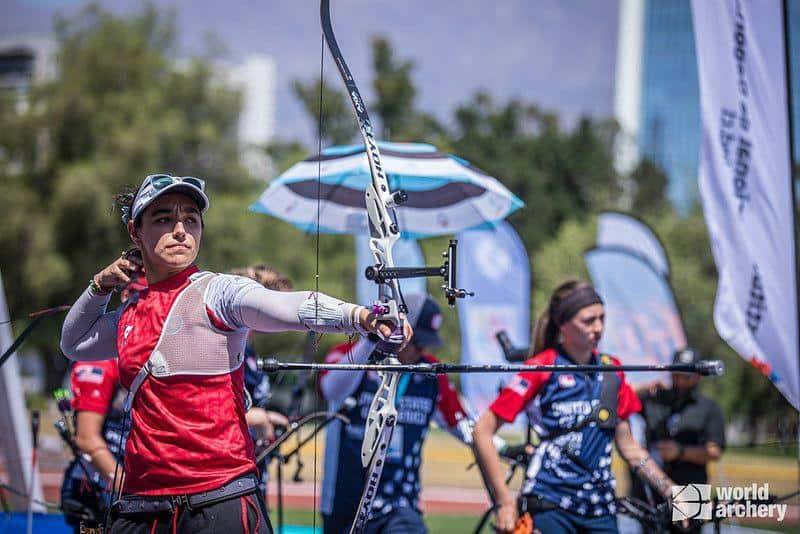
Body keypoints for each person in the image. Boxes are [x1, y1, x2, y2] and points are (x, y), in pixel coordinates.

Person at [60, 173, 411, 534]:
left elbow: (291, 306)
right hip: (141, 505)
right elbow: (74, 343)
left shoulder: (219, 292)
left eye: (191, 220)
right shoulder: (130, 313)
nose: (180, 230)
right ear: (136, 232)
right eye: (164, 219)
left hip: (218, 501)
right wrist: (99, 286)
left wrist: (361, 316)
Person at [472, 280, 680, 534]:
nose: (598, 328)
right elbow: (482, 430)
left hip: (601, 511)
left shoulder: (612, 371)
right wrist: (504, 502)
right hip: (550, 507)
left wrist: (673, 492)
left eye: (602, 318)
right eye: (588, 321)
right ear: (563, 324)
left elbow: (630, 449)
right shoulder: (542, 368)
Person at [319, 293, 473, 534]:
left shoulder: (431, 373)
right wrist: (371, 340)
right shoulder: (349, 354)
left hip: (400, 506)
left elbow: (465, 426)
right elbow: (331, 390)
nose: (419, 350)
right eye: (416, 341)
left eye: (424, 344)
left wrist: (501, 448)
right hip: (345, 503)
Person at [60, 276, 146, 533]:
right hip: (98, 492)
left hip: (131, 489)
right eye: (145, 298)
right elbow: (86, 438)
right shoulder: (99, 360)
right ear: (126, 297)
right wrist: (128, 489)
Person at [630, 348, 725, 532]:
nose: (681, 380)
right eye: (677, 374)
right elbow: (620, 397)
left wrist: (680, 452)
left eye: (687, 376)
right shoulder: (655, 397)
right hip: (652, 489)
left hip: (691, 489)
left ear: (698, 377)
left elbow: (715, 450)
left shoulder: (708, 408)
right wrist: (646, 386)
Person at [230, 264, 293, 497]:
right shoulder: (229, 344)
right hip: (229, 476)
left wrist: (267, 417)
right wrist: (259, 418)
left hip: (250, 469)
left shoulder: (249, 347)